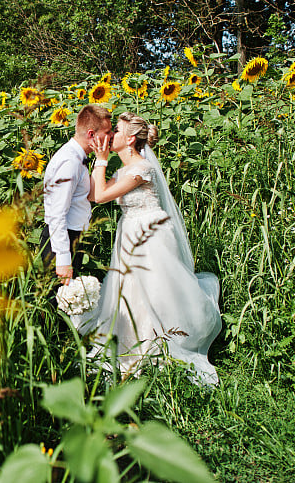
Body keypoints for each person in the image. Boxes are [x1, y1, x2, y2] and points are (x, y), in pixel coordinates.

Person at [80, 112, 221, 385]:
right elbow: (94, 192)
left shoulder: (142, 169)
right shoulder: (125, 171)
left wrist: (100, 159)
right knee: (130, 292)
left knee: (155, 293)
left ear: (130, 139)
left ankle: (158, 346)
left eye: (115, 132)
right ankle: (131, 344)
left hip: (150, 234)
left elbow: (99, 196)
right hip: (131, 231)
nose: (109, 136)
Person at [41, 104, 113, 284]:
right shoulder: (70, 162)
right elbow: (57, 213)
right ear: (91, 134)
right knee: (58, 304)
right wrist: (63, 259)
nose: (111, 136)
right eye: (107, 131)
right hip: (61, 242)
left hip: (71, 238)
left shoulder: (77, 157)